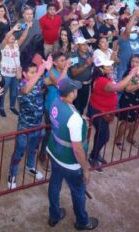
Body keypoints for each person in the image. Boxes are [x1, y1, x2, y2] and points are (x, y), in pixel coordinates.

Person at [46, 78, 98, 230]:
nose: (77, 91)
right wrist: (86, 169)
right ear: (71, 93)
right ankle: (82, 222)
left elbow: (61, 120)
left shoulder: (55, 102)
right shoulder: (74, 118)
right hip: (69, 162)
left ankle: (54, 215)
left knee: (54, 184)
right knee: (78, 191)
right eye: (75, 89)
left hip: (54, 152)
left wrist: (77, 117)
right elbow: (78, 149)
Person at [88, 59, 139, 172]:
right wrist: (131, 74)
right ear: (101, 69)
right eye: (108, 66)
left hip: (104, 112)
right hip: (98, 112)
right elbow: (117, 88)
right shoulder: (102, 80)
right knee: (103, 136)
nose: (111, 68)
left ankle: (95, 154)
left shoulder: (107, 77)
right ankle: (93, 157)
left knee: (101, 135)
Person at [8, 59, 51, 189]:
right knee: (19, 151)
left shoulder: (39, 81)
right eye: (31, 72)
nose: (34, 74)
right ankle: (12, 174)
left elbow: (54, 81)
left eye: (35, 71)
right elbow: (26, 90)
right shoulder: (20, 86)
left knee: (33, 149)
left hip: (38, 126)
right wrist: (39, 72)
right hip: (24, 127)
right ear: (24, 74)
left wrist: (49, 69)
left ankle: (30, 167)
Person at [114, 56, 139, 151]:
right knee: (126, 122)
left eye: (137, 62)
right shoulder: (128, 73)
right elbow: (127, 88)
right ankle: (118, 140)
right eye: (132, 61)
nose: (134, 64)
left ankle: (130, 137)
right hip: (129, 101)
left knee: (137, 121)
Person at [0, 24, 29, 116]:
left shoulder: (16, 45)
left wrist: (27, 27)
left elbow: (23, 37)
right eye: (10, 36)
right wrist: (13, 29)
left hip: (16, 74)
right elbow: (6, 38)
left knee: (14, 92)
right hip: (5, 74)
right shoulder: (3, 46)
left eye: (13, 37)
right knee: (3, 92)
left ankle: (12, 106)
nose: (13, 38)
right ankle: (1, 107)